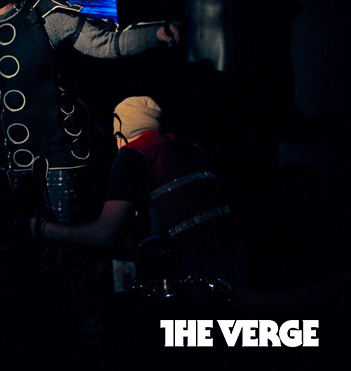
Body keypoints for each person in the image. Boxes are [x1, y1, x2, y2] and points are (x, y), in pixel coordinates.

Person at [0, 0, 183, 349]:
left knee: (71, 244)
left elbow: (107, 43)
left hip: (59, 153)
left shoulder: (44, 15)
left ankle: (90, 319)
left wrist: (156, 33)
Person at [25, 96, 246, 295]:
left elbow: (106, 234)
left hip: (193, 275)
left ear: (120, 131)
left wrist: (42, 228)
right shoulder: (188, 147)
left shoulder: (134, 153)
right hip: (234, 265)